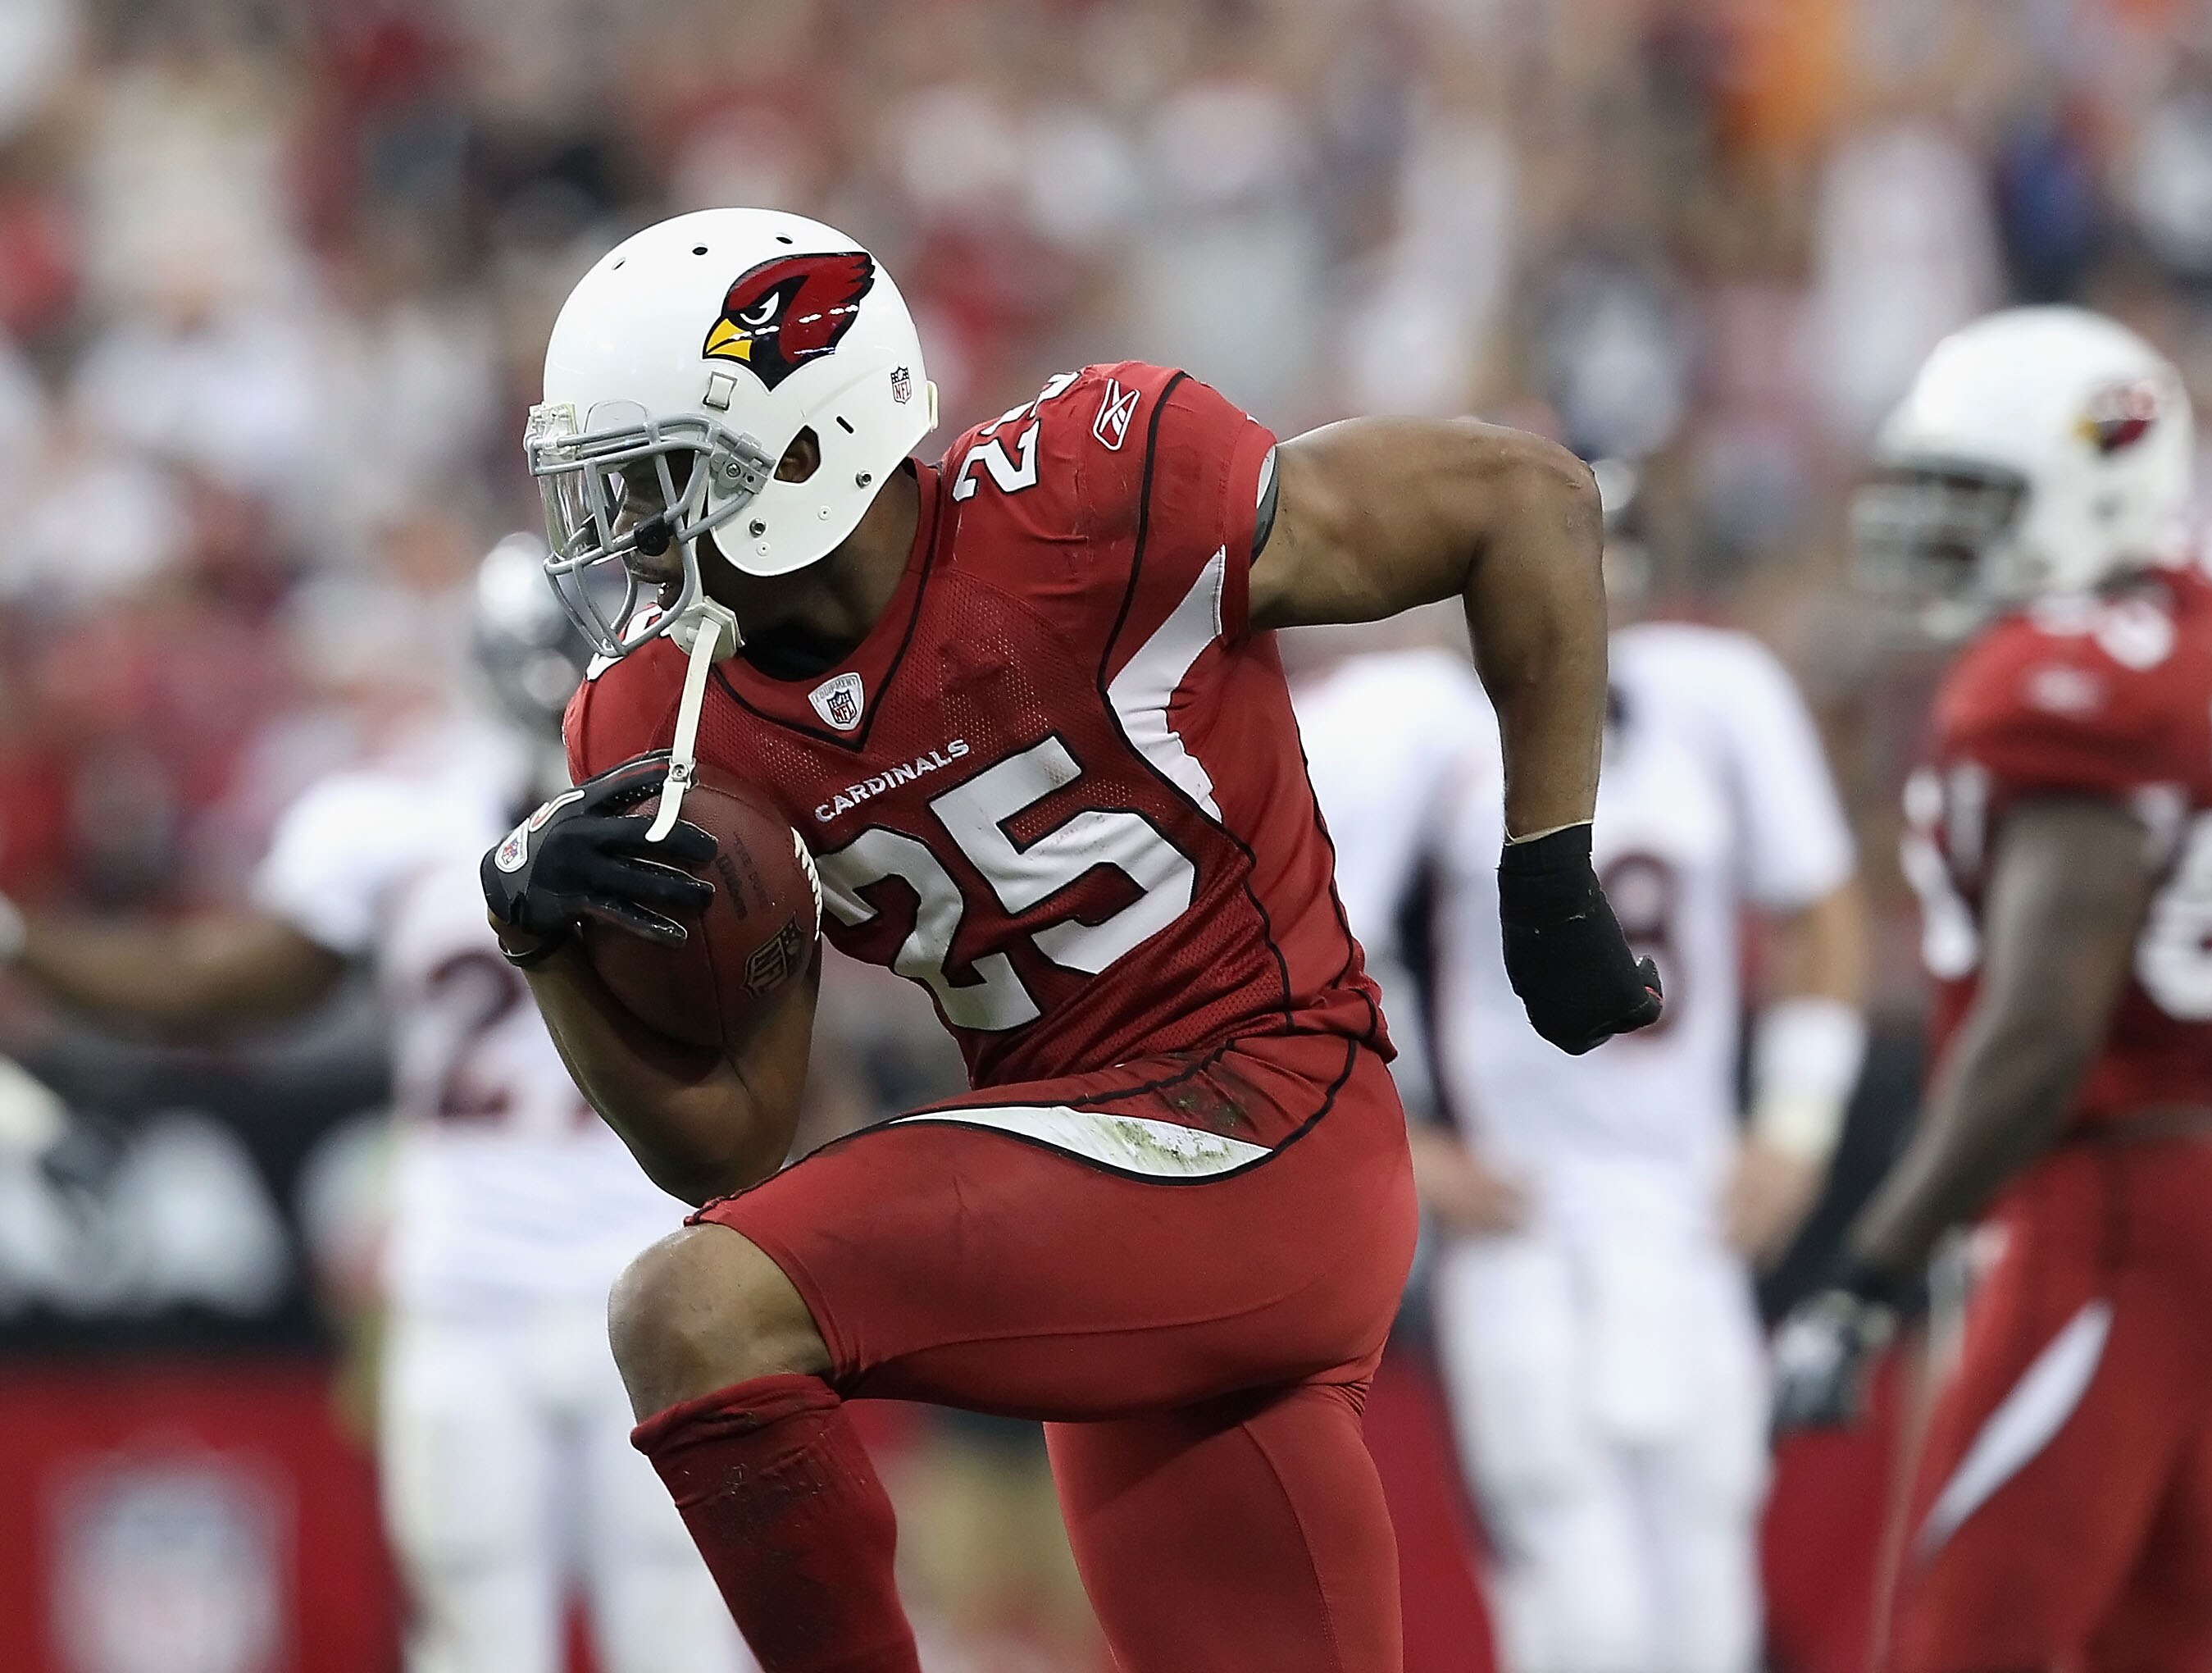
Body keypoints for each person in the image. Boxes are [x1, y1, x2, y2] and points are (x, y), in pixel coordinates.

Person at [479, 207, 1661, 1673]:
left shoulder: (1086, 491)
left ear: (802, 449)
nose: (630, 538)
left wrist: (1548, 879)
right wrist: (543, 947)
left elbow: (1527, 498)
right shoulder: (659, 719)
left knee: (687, 1305)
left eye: (660, 484)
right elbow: (730, 1148)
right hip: (1106, 1196)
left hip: (1273, 1117)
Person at [0, 538, 749, 1673]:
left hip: (629, 1285)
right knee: (564, 1628)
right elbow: (218, 985)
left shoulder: (695, 809)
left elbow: (213, 986)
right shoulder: (411, 821)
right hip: (492, 1285)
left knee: (641, 1623)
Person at [1769, 306, 2212, 1672]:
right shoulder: (2207, 597)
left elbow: (2038, 1033)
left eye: (1974, 498)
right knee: (2156, 1652)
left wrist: (1866, 1274)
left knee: (1966, 1649)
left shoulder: (2057, 690)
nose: (1934, 530)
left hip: (2104, 1207)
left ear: (2091, 493)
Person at [1293, 599, 1868, 1672]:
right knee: (1579, 1601)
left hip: (1691, 1213)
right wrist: (1398, 1139)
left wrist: (1796, 1123)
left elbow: (1818, 904)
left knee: (1710, 1595)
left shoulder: (1706, 696)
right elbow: (1302, 950)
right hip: (1524, 1221)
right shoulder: (1410, 722)